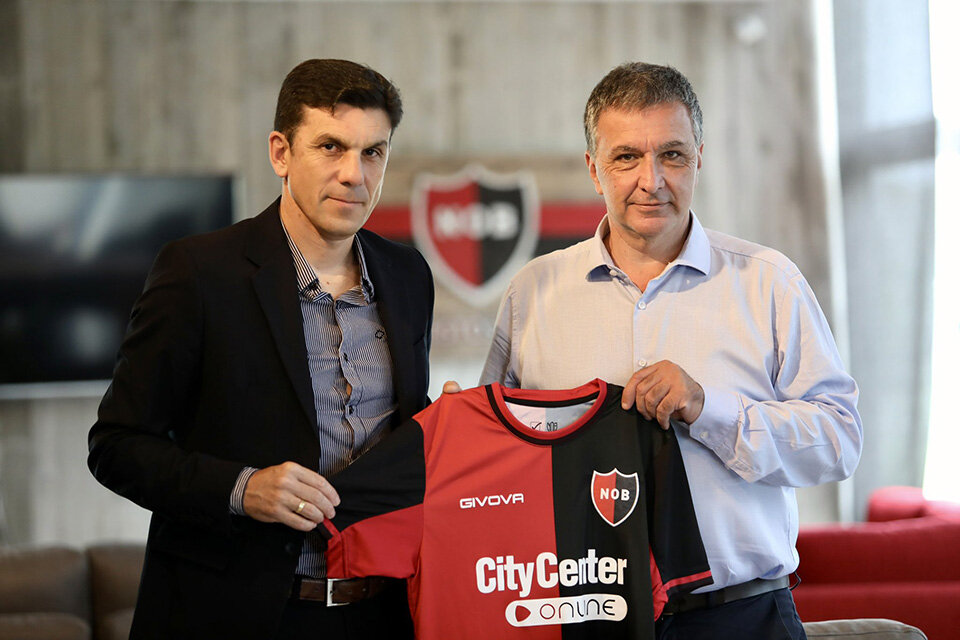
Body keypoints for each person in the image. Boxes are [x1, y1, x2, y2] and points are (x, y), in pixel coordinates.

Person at [478, 62, 862, 639]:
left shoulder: (768, 283)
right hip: (579, 616)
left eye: (673, 155)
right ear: (594, 168)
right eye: (626, 157)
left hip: (742, 617)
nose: (651, 180)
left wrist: (711, 409)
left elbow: (839, 443)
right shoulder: (532, 293)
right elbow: (497, 457)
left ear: (699, 159)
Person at [88, 59, 433, 640]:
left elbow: (403, 432)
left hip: (383, 612)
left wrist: (440, 427)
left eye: (373, 152)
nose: (355, 174)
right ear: (280, 152)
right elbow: (116, 447)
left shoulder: (407, 273)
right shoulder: (198, 272)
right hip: (239, 615)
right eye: (331, 146)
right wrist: (242, 488)